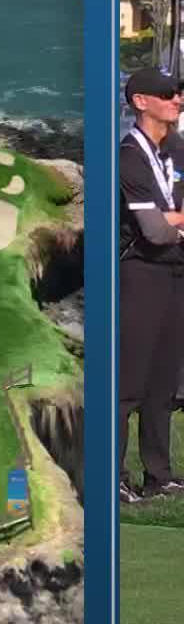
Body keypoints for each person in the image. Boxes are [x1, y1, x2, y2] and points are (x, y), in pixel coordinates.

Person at [117, 66, 184, 504]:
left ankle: (159, 475)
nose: (176, 99)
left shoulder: (177, 148)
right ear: (141, 102)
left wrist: (173, 219)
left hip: (176, 271)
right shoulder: (129, 156)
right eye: (166, 94)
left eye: (177, 93)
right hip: (140, 272)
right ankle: (114, 476)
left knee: (164, 383)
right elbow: (154, 232)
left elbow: (166, 224)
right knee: (129, 384)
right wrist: (172, 221)